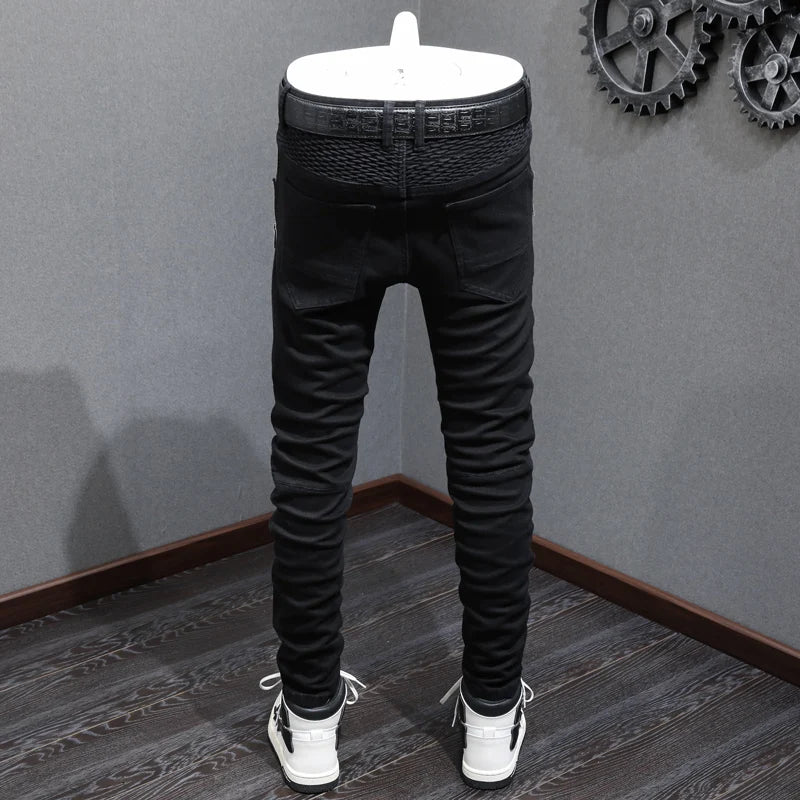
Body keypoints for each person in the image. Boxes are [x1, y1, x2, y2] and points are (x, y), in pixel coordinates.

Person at [259, 11, 536, 793]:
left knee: (311, 454)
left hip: (329, 148)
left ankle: (309, 722)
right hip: (480, 145)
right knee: (491, 450)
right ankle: (492, 717)